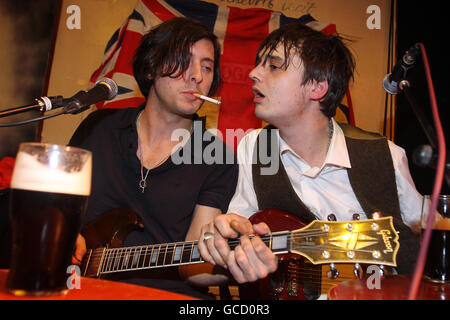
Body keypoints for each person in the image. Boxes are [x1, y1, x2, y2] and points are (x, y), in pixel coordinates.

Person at [198, 22, 423, 288]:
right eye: (258, 64)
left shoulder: (385, 155)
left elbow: (422, 237)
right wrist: (228, 233)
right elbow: (242, 226)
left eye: (273, 66)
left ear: (316, 87)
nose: (253, 73)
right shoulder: (255, 147)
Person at [69, 17, 238, 299]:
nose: (197, 75)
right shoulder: (98, 127)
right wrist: (63, 233)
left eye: (207, 67)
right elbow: (58, 205)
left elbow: (195, 267)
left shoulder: (218, 159)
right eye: (183, 60)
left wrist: (236, 263)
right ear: (151, 68)